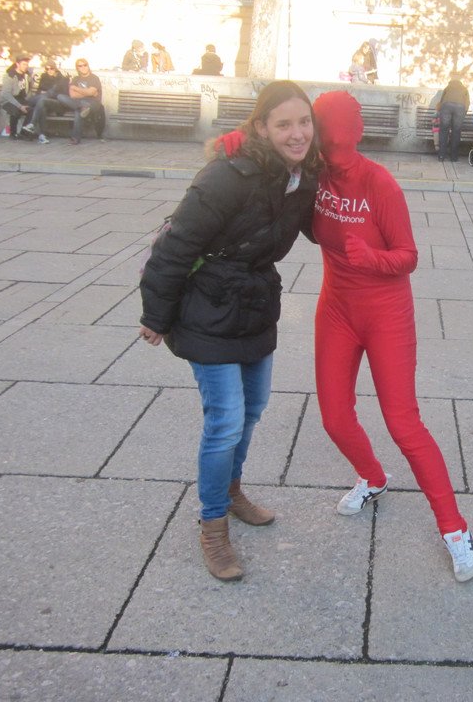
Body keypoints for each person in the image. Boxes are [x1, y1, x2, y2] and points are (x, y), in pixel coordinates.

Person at [139, 80, 321, 582]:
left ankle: (232, 490)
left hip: (255, 303)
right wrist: (156, 316)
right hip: (207, 306)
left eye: (304, 122)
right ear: (261, 127)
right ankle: (213, 526)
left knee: (253, 409)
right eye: (284, 124)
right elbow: (175, 245)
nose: (297, 133)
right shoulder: (226, 176)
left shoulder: (301, 176)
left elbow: (321, 223)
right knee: (225, 420)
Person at [310, 91, 473, 582]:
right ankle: (373, 477)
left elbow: (408, 256)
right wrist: (237, 142)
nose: (335, 142)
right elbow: (274, 144)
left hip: (386, 314)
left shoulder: (379, 183)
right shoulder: (312, 175)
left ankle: (455, 529)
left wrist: (372, 259)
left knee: (403, 424)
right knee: (334, 417)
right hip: (336, 309)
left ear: (355, 133)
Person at [20, 60, 69, 144]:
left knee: (42, 99)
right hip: (44, 102)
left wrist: (47, 93)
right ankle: (42, 136)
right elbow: (39, 91)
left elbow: (63, 94)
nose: (49, 70)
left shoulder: (62, 79)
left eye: (51, 68)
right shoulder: (44, 76)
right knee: (42, 105)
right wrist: (48, 93)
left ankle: (32, 125)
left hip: (57, 103)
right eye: (47, 69)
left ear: (56, 69)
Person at [57, 59, 103, 145]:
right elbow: (72, 95)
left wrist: (76, 88)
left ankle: (75, 138)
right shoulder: (76, 79)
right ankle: (82, 107)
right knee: (60, 97)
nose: (83, 67)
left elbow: (91, 92)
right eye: (80, 66)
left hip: (92, 103)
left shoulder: (94, 78)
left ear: (88, 66)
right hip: (79, 103)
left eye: (85, 65)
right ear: (77, 68)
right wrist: (88, 93)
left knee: (79, 110)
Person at [0, 54, 34, 140]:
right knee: (16, 110)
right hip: (8, 100)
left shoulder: (27, 75)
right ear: (17, 64)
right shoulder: (10, 75)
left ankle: (23, 132)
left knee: (32, 110)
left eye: (27, 64)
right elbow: (6, 94)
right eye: (23, 64)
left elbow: (29, 90)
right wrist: (20, 106)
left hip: (21, 100)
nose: (26, 67)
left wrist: (27, 101)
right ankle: (13, 133)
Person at [435, 76, 469, 162]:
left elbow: (442, 101)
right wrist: (463, 113)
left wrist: (439, 111)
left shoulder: (448, 87)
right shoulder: (464, 89)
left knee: (443, 131)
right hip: (460, 108)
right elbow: (467, 103)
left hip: (446, 106)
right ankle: (454, 157)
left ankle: (441, 156)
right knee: (456, 132)